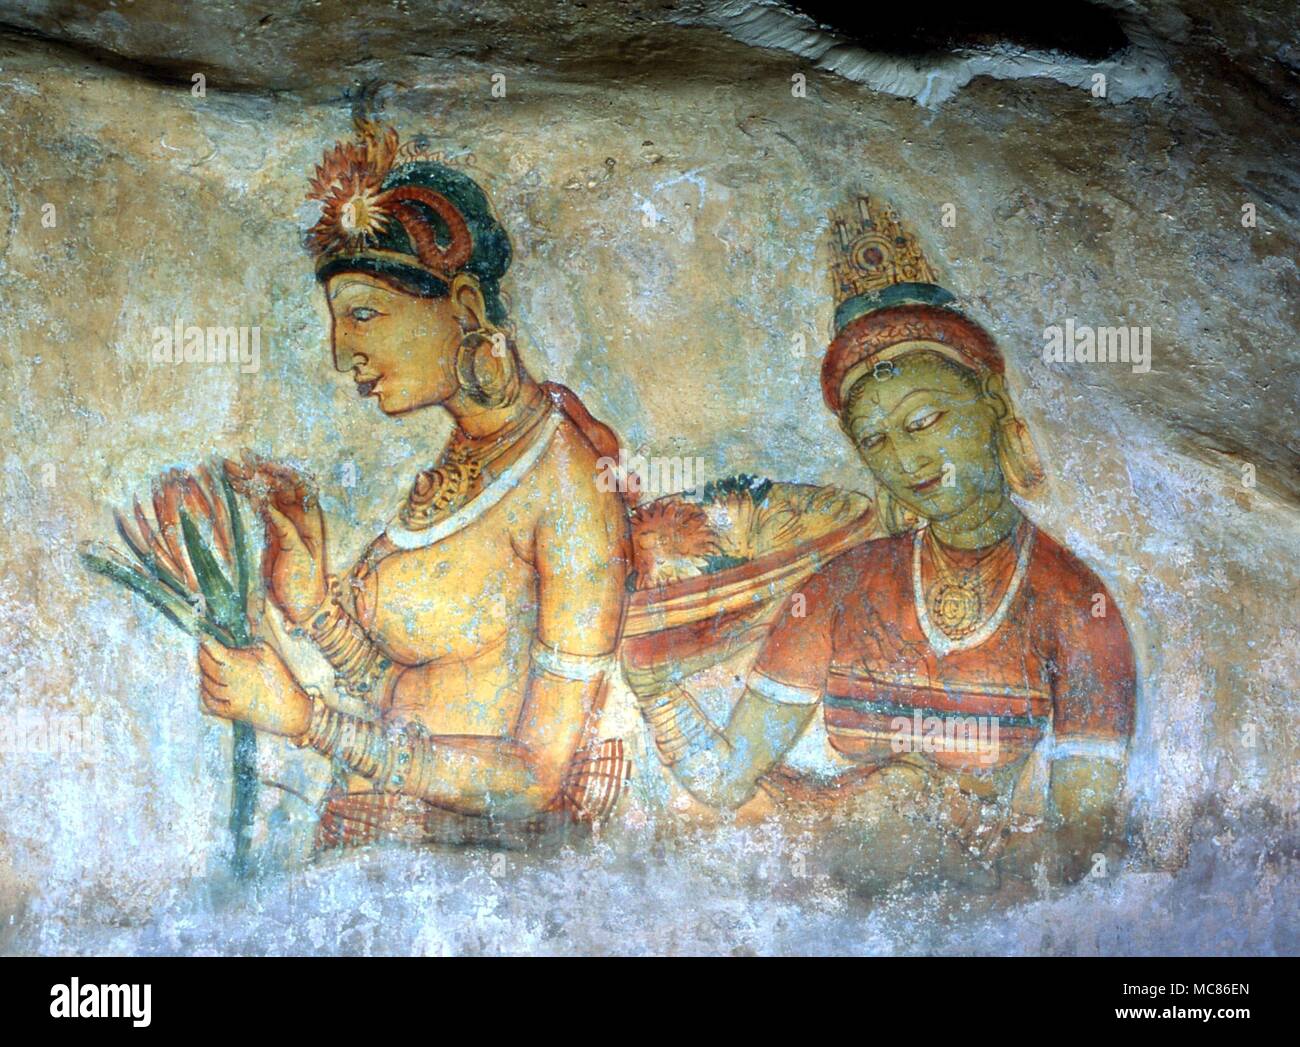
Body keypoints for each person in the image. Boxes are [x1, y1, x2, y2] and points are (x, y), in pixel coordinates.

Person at [629, 196, 1136, 889]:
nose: (906, 456)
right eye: (877, 439)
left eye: (924, 418)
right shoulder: (841, 586)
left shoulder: (1078, 608)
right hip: (828, 885)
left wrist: (950, 829)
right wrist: (657, 690)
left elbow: (1078, 857)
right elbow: (723, 780)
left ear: (992, 403)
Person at [196, 121, 631, 850]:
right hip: (380, 855)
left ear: (462, 308)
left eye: (364, 314)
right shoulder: (465, 462)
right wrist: (310, 602)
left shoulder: (571, 491)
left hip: (469, 879)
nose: (343, 354)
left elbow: (531, 778)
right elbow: (408, 692)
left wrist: (305, 719)